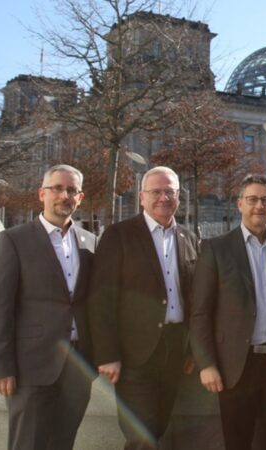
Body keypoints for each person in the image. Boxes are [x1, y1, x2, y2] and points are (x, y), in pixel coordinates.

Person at [0, 164, 97, 450]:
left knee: (63, 444)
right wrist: (0, 367)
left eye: (71, 190)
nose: (64, 195)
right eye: (57, 188)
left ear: (80, 197)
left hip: (77, 368)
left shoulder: (90, 243)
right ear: (41, 194)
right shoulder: (14, 240)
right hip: (31, 367)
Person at [88, 166, 200, 449]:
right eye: (156, 192)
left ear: (179, 196)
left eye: (170, 192)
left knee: (158, 427)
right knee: (142, 435)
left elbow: (194, 298)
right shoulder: (119, 235)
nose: (163, 198)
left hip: (175, 350)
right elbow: (101, 299)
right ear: (141, 197)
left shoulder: (188, 238)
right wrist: (108, 354)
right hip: (133, 354)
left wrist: (192, 349)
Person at [189, 175, 266, 450]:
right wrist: (206, 363)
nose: (259, 206)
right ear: (240, 204)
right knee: (237, 442)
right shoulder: (216, 248)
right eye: (252, 199)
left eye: (265, 200)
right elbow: (200, 312)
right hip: (237, 365)